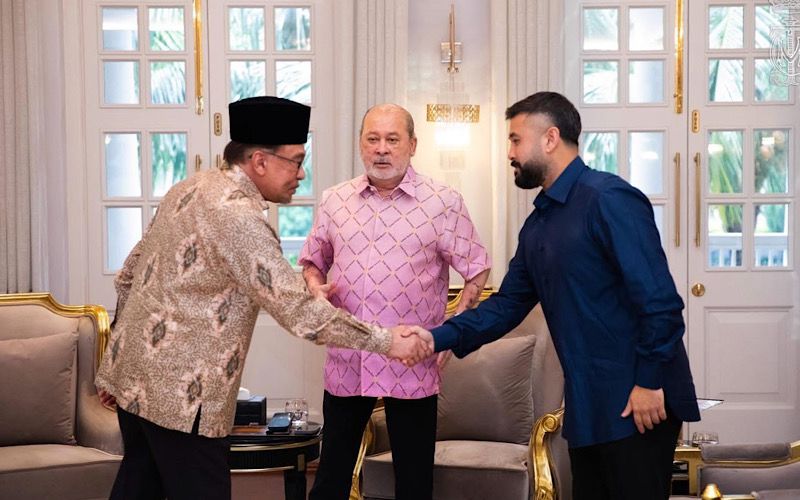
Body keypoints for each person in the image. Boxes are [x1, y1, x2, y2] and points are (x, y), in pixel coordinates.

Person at [94, 96, 432, 500]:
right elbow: (299, 313)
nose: (301, 173)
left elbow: (128, 276)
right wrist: (387, 341)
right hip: (184, 399)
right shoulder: (239, 218)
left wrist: (118, 357)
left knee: (138, 489)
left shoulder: (191, 186)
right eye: (296, 161)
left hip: (133, 381)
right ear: (259, 161)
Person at [419, 92, 700, 500]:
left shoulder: (609, 199)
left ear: (550, 138)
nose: (510, 153)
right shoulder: (538, 225)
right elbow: (506, 306)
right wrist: (435, 338)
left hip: (639, 401)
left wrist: (649, 382)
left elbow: (661, 304)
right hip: (587, 409)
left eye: (516, 140)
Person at [299, 103, 491, 500]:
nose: (382, 149)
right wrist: (315, 288)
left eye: (392, 139)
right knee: (331, 478)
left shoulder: (443, 202)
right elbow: (312, 262)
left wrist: (452, 333)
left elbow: (477, 268)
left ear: (412, 145)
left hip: (412, 359)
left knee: (414, 482)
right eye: (373, 139)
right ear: (360, 144)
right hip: (349, 355)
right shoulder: (335, 200)